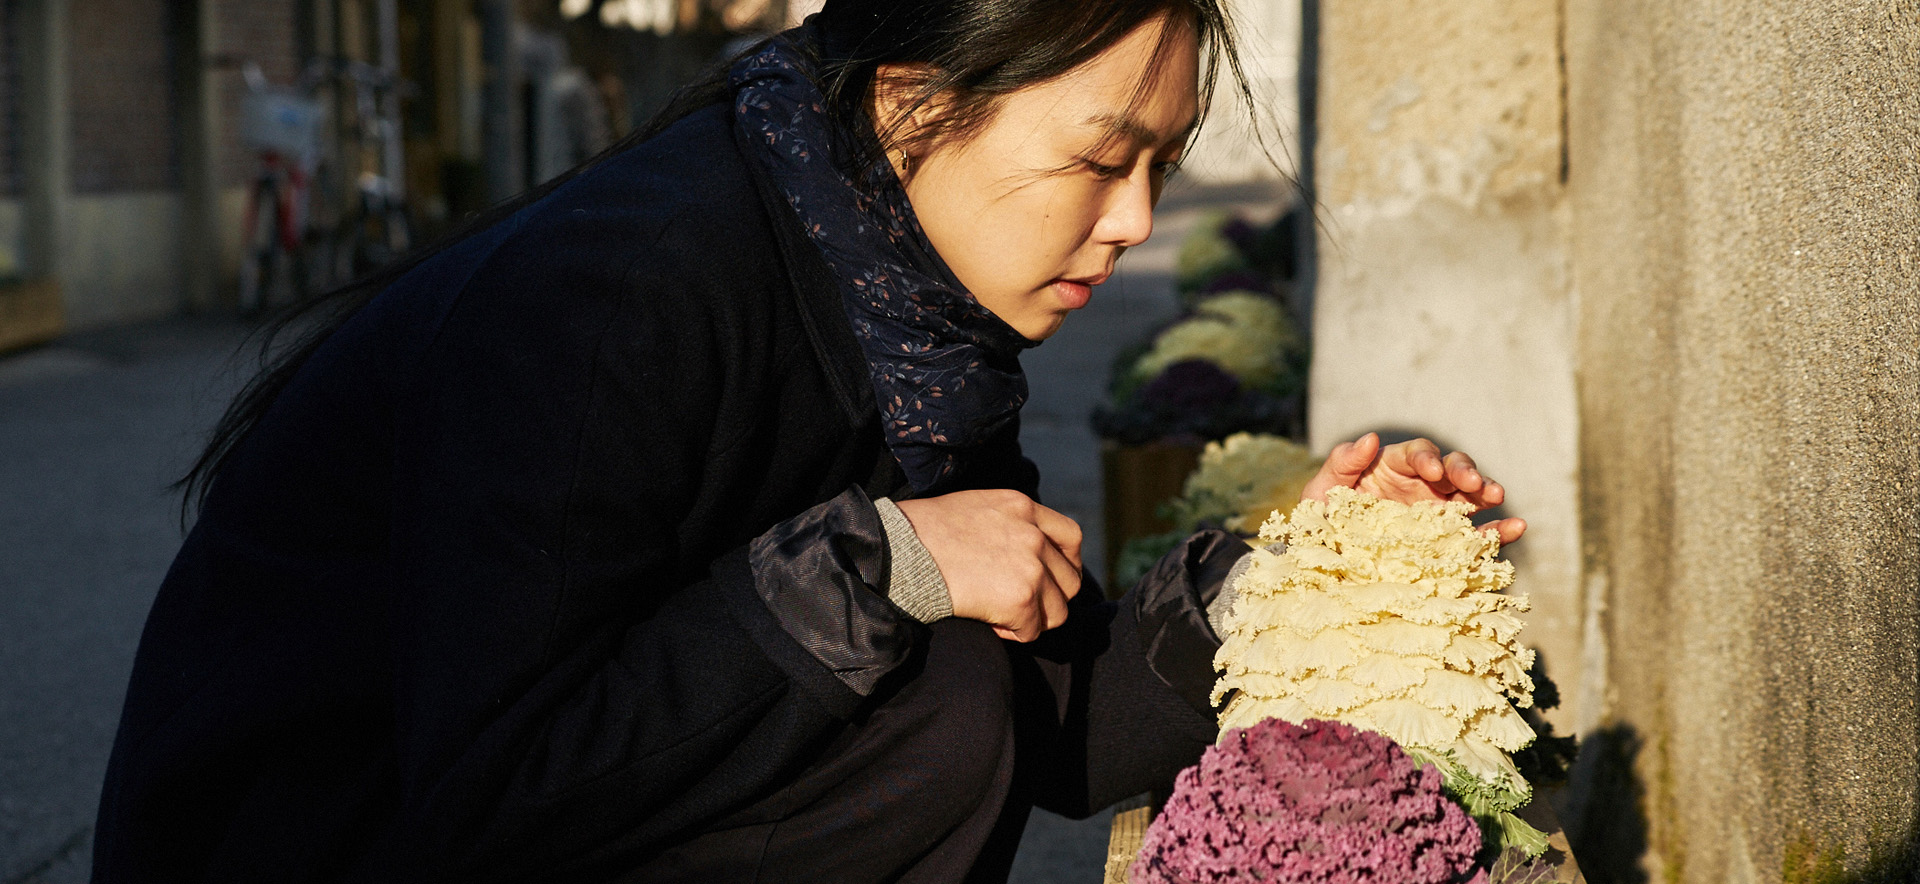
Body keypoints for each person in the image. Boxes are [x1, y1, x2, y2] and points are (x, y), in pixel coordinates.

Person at [93, 1, 1525, 881]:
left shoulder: (911, 328)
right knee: (936, 676)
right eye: (1103, 159)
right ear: (913, 100)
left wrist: (1286, 583)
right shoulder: (623, 299)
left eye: (1161, 163)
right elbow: (496, 789)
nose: (1141, 218)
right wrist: (883, 562)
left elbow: (1059, 728)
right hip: (331, 837)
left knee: (956, 670)